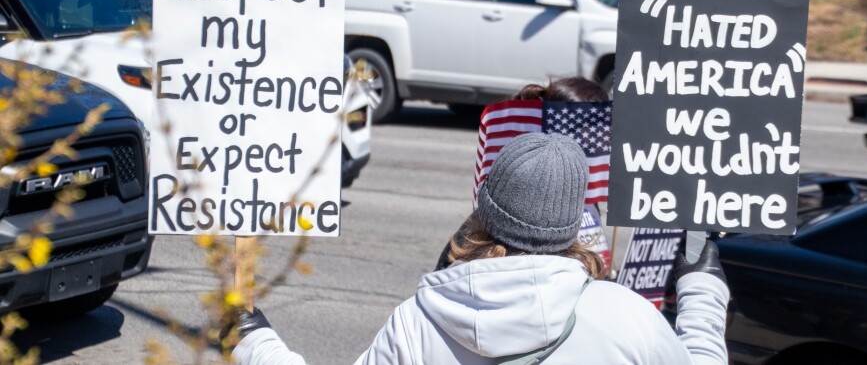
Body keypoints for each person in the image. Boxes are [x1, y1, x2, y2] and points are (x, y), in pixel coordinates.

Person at [232, 132, 729, 365]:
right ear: (572, 226)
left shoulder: (418, 322)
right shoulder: (624, 318)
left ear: (483, 215)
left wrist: (253, 341)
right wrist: (702, 288)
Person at [435, 76, 609, 271]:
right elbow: (451, 271)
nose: (604, 143)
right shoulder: (505, 209)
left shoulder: (585, 198)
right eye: (596, 131)